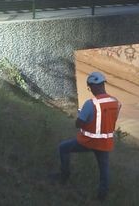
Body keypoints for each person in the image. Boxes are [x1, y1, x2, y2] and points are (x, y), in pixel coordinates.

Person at [51, 71, 122, 201]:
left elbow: (79, 124)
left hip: (88, 142)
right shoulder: (116, 102)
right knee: (104, 170)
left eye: (89, 87)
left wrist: (80, 117)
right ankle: (102, 197)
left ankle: (64, 176)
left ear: (94, 86)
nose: (90, 90)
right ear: (103, 85)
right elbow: (111, 120)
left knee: (63, 148)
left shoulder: (91, 103)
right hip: (105, 144)